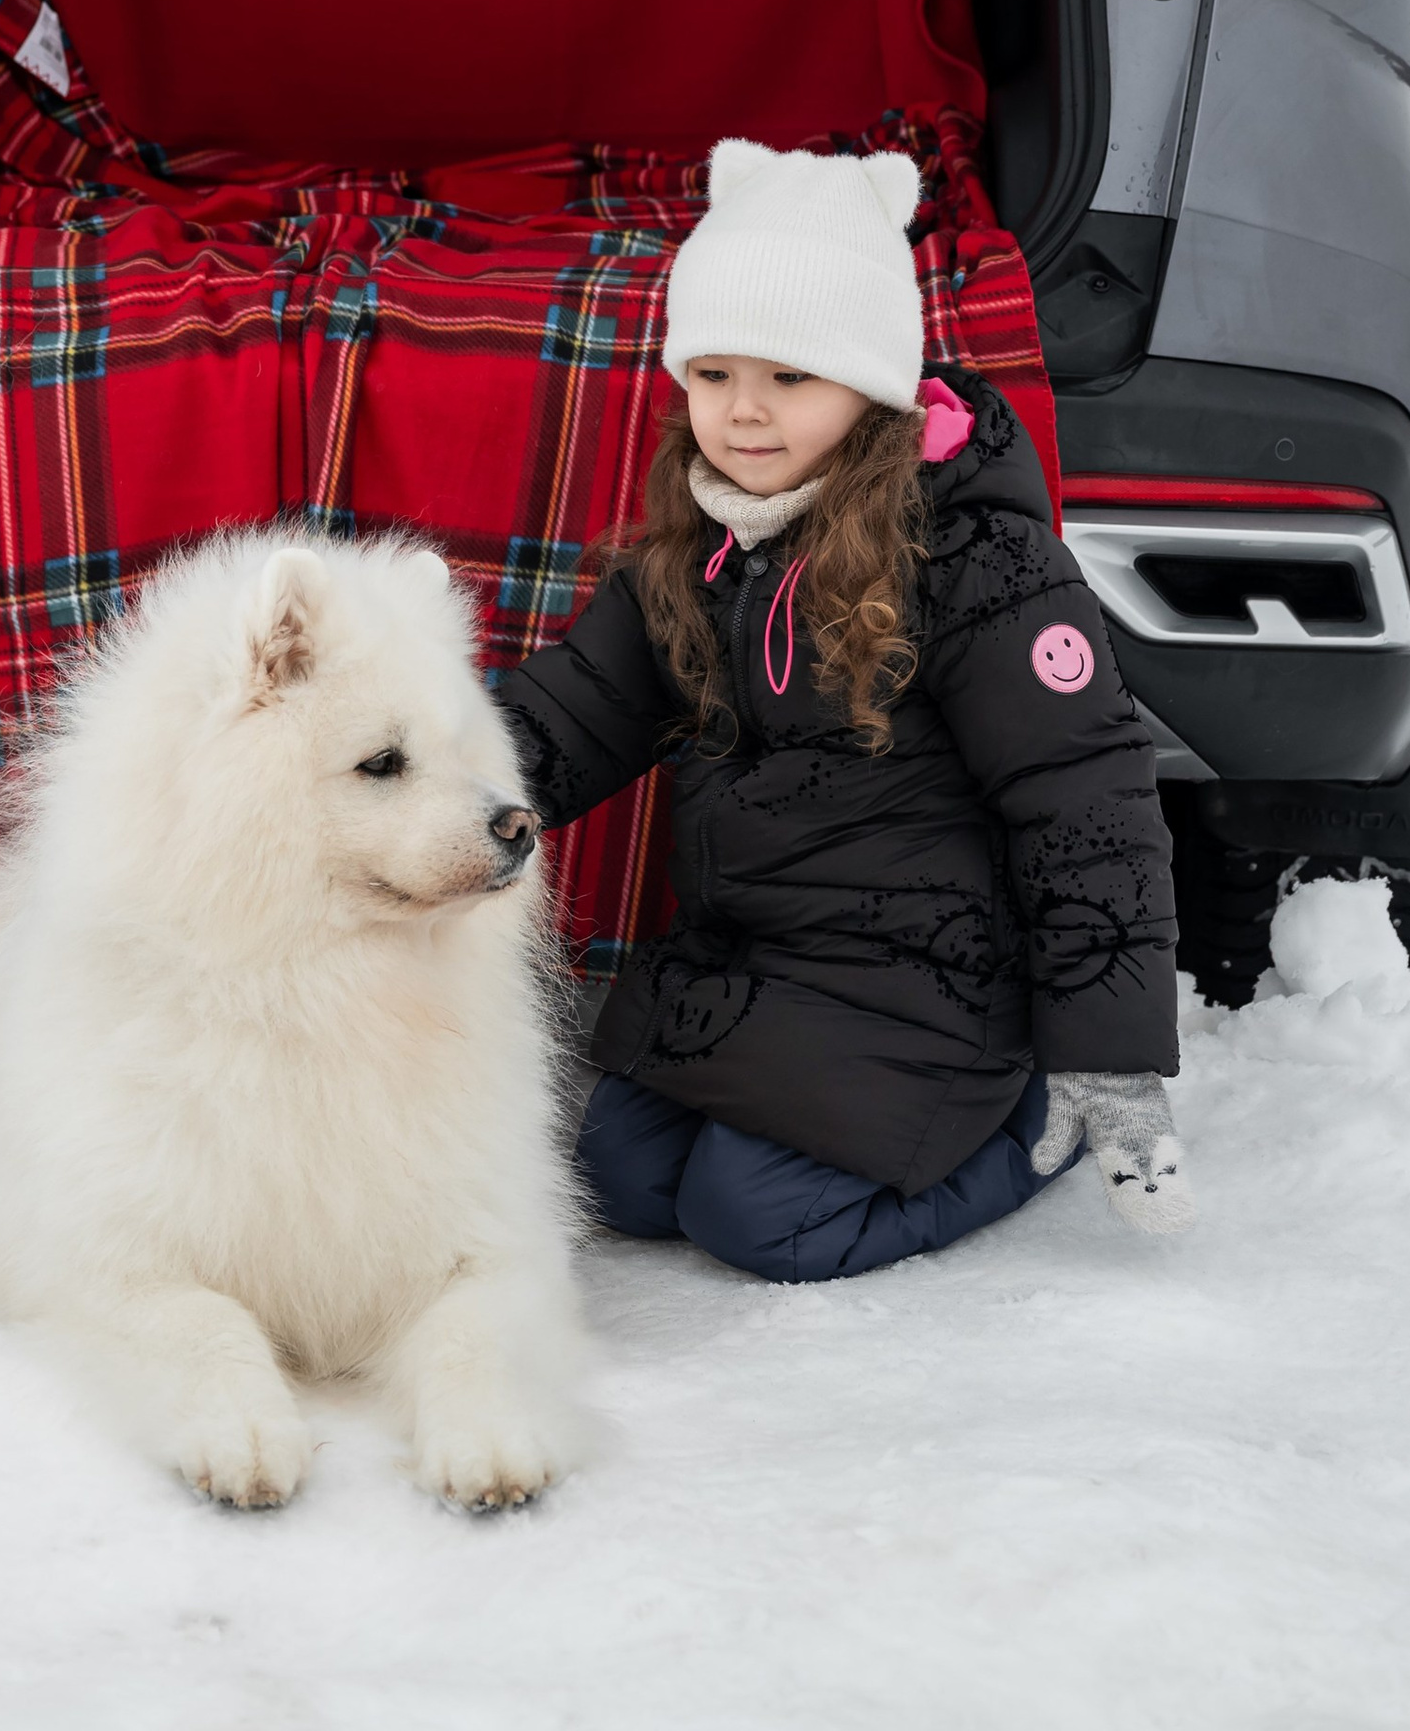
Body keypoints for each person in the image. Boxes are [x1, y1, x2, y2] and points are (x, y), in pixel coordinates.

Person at [497, 141, 1195, 1283]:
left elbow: (1087, 800)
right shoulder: (706, 544)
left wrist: (1106, 1058)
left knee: (760, 1220)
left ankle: (1028, 1124)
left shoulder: (976, 558)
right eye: (714, 375)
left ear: (867, 385)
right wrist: (392, 787)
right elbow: (570, 713)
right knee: (620, 1180)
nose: (744, 414)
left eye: (790, 378)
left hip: (934, 981)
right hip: (762, 960)